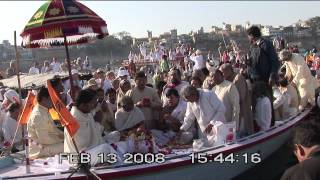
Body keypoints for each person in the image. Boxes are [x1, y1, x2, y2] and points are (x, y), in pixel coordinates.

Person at [64, 89, 119, 166]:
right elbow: (84, 145)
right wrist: (98, 122)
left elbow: (95, 132)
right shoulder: (74, 120)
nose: (94, 106)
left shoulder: (86, 113)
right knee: (105, 148)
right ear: (83, 105)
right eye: (92, 103)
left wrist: (99, 126)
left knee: (116, 134)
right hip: (80, 156)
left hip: (93, 147)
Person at [247, 26, 280, 127]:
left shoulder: (266, 44)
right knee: (257, 104)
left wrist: (272, 76)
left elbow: (275, 61)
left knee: (267, 102)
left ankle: (270, 125)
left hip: (265, 79)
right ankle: (259, 126)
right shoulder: (252, 47)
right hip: (255, 80)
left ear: (251, 35)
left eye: (248, 36)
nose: (248, 38)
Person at [27, 87, 64, 159]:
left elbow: (54, 130)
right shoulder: (38, 115)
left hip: (46, 145)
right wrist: (61, 139)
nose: (53, 102)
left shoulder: (44, 110)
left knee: (71, 142)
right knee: (68, 145)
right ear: (44, 99)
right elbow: (44, 139)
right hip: (39, 149)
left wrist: (64, 136)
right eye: (51, 99)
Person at [220, 63, 254, 136]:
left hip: (242, 111)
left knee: (242, 132)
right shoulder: (228, 80)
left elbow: (241, 97)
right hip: (235, 111)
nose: (222, 74)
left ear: (228, 71)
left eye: (223, 72)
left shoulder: (238, 78)